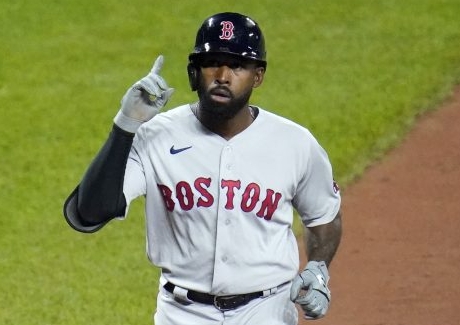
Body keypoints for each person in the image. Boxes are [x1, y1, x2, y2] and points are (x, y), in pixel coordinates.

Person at [63, 12, 342, 325]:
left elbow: (323, 217)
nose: (223, 75)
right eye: (211, 63)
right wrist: (125, 127)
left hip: (266, 311)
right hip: (182, 313)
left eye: (237, 65)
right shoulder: (155, 136)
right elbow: (87, 214)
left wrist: (318, 267)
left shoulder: (294, 143)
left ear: (258, 76)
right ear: (193, 72)